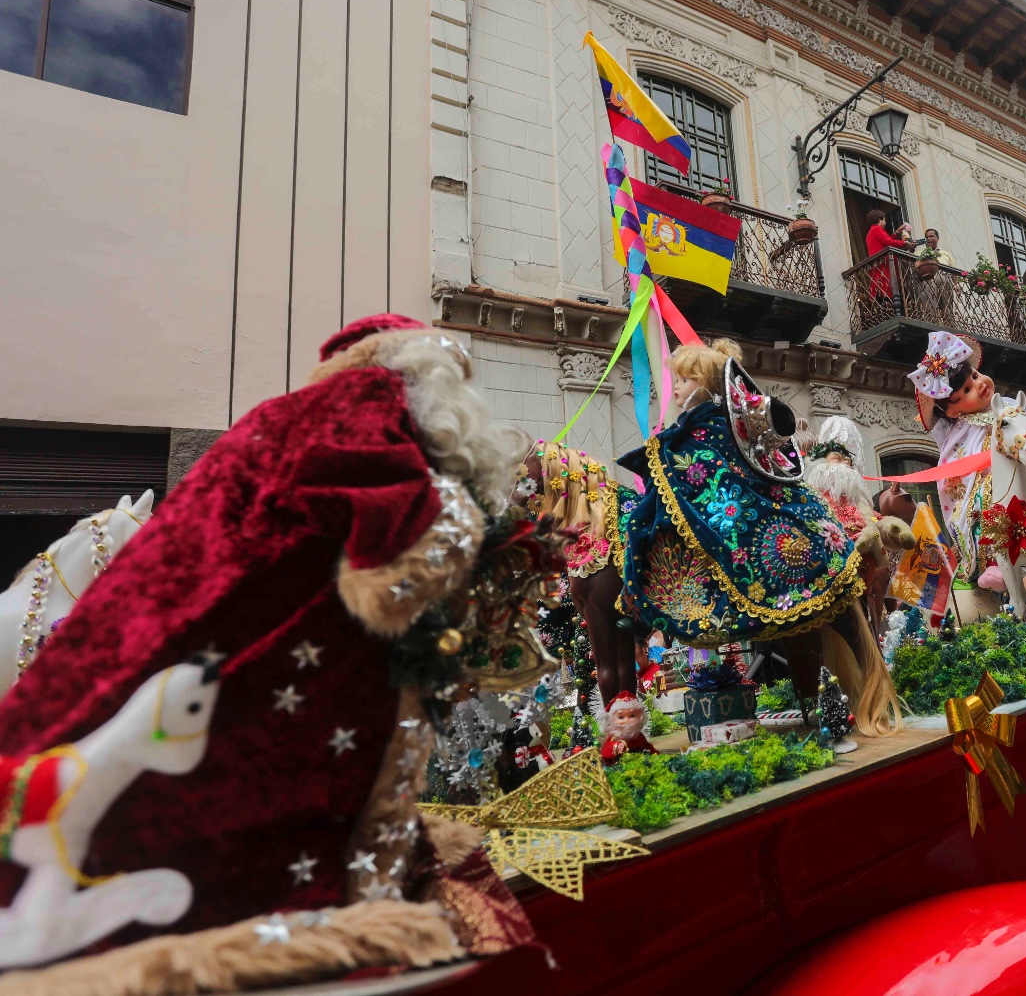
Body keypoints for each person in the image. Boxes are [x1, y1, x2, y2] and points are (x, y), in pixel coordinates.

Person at [0, 314, 538, 975]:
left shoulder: (290, 421)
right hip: (249, 667)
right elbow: (396, 563)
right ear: (422, 376)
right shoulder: (367, 407)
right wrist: (464, 538)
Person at [614, 338, 864, 648]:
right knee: (642, 527)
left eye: (685, 379)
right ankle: (643, 608)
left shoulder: (717, 428)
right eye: (677, 379)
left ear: (706, 384)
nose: (676, 387)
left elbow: (726, 473)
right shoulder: (685, 433)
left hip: (734, 509)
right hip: (702, 508)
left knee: (649, 526)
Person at [909, 331, 1026, 586]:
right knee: (982, 503)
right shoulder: (961, 435)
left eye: (975, 376)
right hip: (995, 487)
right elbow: (957, 471)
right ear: (953, 411)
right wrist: (985, 472)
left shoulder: (1011, 407)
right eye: (967, 389)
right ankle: (994, 561)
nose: (979, 384)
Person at [864, 209, 911, 300]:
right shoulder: (877, 229)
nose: (885, 222)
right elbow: (889, 242)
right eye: (884, 220)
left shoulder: (871, 231)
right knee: (891, 296)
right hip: (884, 268)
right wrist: (903, 243)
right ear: (879, 219)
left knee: (885, 296)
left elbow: (885, 242)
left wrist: (896, 232)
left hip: (880, 268)